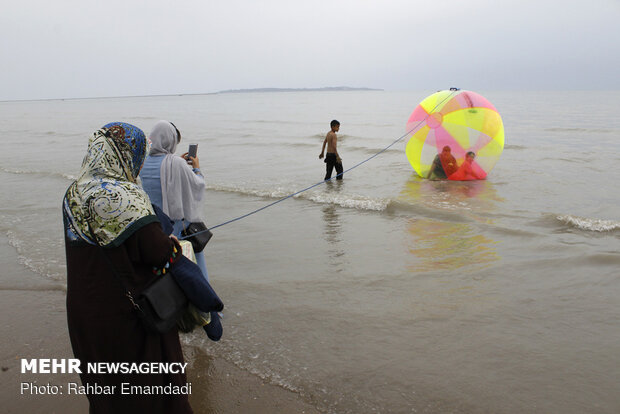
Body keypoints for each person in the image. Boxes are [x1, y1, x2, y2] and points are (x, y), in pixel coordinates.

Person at [62, 122, 193, 413]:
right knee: (151, 390)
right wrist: (173, 243)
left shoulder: (74, 193)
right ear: (126, 153)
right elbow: (159, 253)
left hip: (84, 311)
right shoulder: (125, 197)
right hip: (128, 314)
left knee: (106, 388)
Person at [140, 121, 222, 340]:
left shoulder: (143, 162)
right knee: (195, 269)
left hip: (156, 226)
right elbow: (197, 185)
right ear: (170, 140)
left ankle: (172, 312)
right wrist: (195, 167)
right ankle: (208, 315)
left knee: (168, 272)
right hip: (179, 226)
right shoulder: (175, 164)